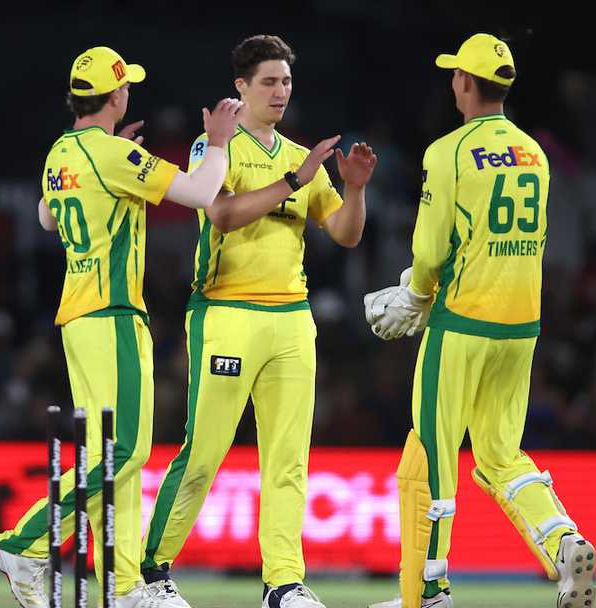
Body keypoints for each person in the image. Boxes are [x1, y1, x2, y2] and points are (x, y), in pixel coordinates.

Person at [0, 46, 242, 608]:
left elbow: (46, 217)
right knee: (124, 450)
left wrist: (113, 162)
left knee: (116, 455)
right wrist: (219, 141)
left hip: (78, 318)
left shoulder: (62, 151)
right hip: (113, 314)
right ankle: (24, 543)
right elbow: (201, 193)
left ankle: (123, 586)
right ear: (116, 95)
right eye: (127, 87)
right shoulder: (111, 154)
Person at [137, 34, 377, 608]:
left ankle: (283, 583)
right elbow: (221, 214)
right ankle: (151, 572)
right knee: (204, 451)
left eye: (286, 81)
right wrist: (294, 181)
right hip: (226, 312)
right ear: (240, 87)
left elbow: (345, 233)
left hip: (292, 317)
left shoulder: (300, 154)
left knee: (289, 460)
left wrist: (354, 188)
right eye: (268, 81)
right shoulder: (214, 145)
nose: (280, 92)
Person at [364, 34, 596, 608]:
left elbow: (430, 247)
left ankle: (429, 592)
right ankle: (563, 543)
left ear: (465, 83)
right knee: (500, 456)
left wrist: (416, 295)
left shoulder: (448, 151)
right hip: (521, 326)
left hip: (462, 322)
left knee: (433, 455)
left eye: (455, 74)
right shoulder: (534, 152)